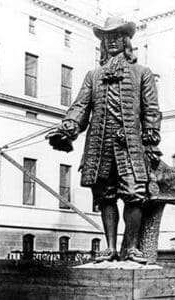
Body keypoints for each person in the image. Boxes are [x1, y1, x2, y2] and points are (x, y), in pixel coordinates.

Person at [47, 16, 161, 264]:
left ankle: (130, 248)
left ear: (126, 40)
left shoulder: (143, 73)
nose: (112, 42)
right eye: (107, 38)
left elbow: (151, 110)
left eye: (117, 36)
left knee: (134, 193)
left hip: (130, 147)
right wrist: (68, 129)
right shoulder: (93, 75)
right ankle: (110, 248)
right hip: (99, 147)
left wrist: (151, 143)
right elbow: (80, 107)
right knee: (105, 197)